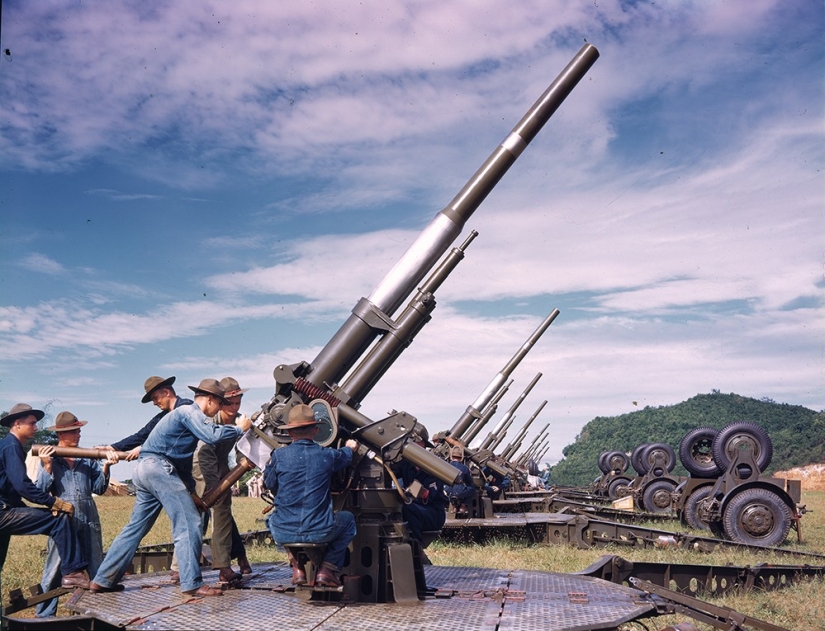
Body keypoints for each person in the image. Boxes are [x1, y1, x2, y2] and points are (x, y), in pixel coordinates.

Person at [90, 379, 252, 597]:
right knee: (189, 523)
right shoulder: (189, 411)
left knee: (135, 528)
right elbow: (213, 435)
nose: (220, 410)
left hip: (144, 471)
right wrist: (239, 430)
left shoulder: (182, 416)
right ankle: (192, 582)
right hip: (158, 469)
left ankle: (103, 580)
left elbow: (183, 467)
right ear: (210, 400)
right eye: (220, 404)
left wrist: (192, 493)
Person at [263, 404, 358, 588]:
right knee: (348, 521)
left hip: (284, 531)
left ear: (290, 433)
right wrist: (350, 447)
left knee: (271, 520)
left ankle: (296, 566)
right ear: (315, 431)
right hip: (320, 530)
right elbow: (345, 456)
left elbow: (270, 484)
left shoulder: (279, 455)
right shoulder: (327, 456)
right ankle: (327, 570)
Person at [0, 404, 91, 591]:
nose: (36, 428)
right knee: (60, 520)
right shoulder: (11, 446)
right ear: (17, 423)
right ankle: (73, 574)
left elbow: (10, 489)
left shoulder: (7, 445)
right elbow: (23, 486)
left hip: (5, 509)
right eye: (32, 423)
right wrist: (53, 502)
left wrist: (37, 506)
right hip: (3, 514)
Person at [35, 412, 117, 617]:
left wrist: (106, 466)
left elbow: (98, 488)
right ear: (63, 433)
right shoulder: (49, 457)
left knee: (96, 566)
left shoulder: (87, 458)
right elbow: (41, 490)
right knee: (54, 571)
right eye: (75, 431)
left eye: (79, 430)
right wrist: (47, 466)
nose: (79, 434)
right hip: (62, 521)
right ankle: (44, 615)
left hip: (89, 518)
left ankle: (96, 613)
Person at [191, 377, 252, 581]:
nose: (234, 408)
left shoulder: (239, 422)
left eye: (238, 403)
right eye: (229, 403)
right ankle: (182, 568)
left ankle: (226, 564)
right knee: (199, 514)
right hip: (201, 464)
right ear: (219, 401)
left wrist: (245, 463)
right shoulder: (210, 420)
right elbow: (204, 453)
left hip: (220, 464)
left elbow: (243, 449)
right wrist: (212, 486)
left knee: (223, 512)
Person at [102, 376, 193, 461]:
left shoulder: (187, 408)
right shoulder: (162, 417)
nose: (154, 403)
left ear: (166, 392)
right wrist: (112, 448)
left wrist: (143, 447)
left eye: (155, 398)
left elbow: (171, 435)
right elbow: (141, 435)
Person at [393, 423, 448, 554]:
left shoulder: (433, 465)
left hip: (433, 512)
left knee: (407, 508)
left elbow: (426, 495)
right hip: (415, 508)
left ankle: (416, 550)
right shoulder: (405, 464)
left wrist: (408, 491)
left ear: (421, 444)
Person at [444, 445, 475, 516]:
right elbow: (469, 481)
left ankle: (454, 506)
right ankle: (463, 506)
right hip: (460, 491)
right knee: (472, 488)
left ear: (451, 456)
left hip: (448, 490)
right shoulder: (464, 468)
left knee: (449, 490)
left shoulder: (447, 465)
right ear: (461, 457)